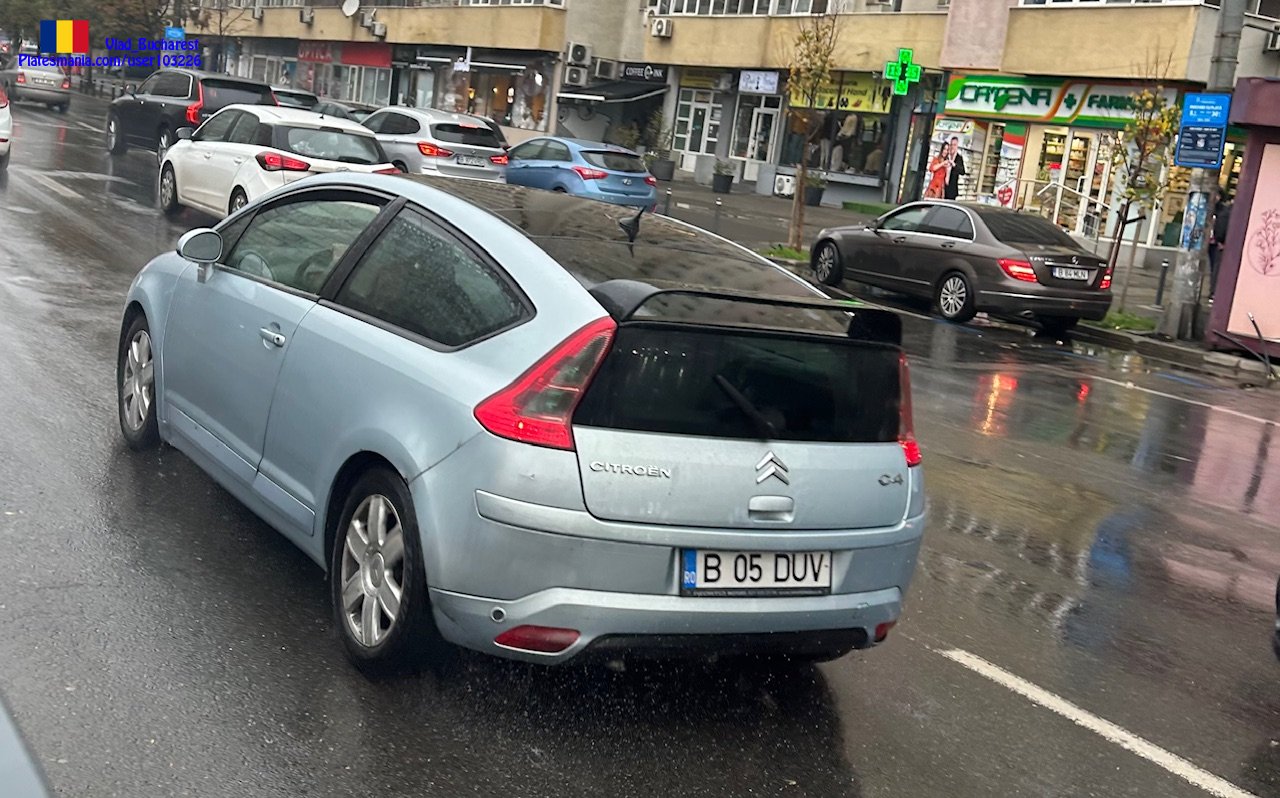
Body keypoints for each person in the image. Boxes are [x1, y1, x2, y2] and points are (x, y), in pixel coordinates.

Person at [1209, 198, 1232, 301]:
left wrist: (1219, 240)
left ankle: (1214, 292)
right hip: (1227, 244)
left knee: (1217, 268)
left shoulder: (1226, 211)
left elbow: (1220, 227)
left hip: (1223, 244)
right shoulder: (1229, 212)